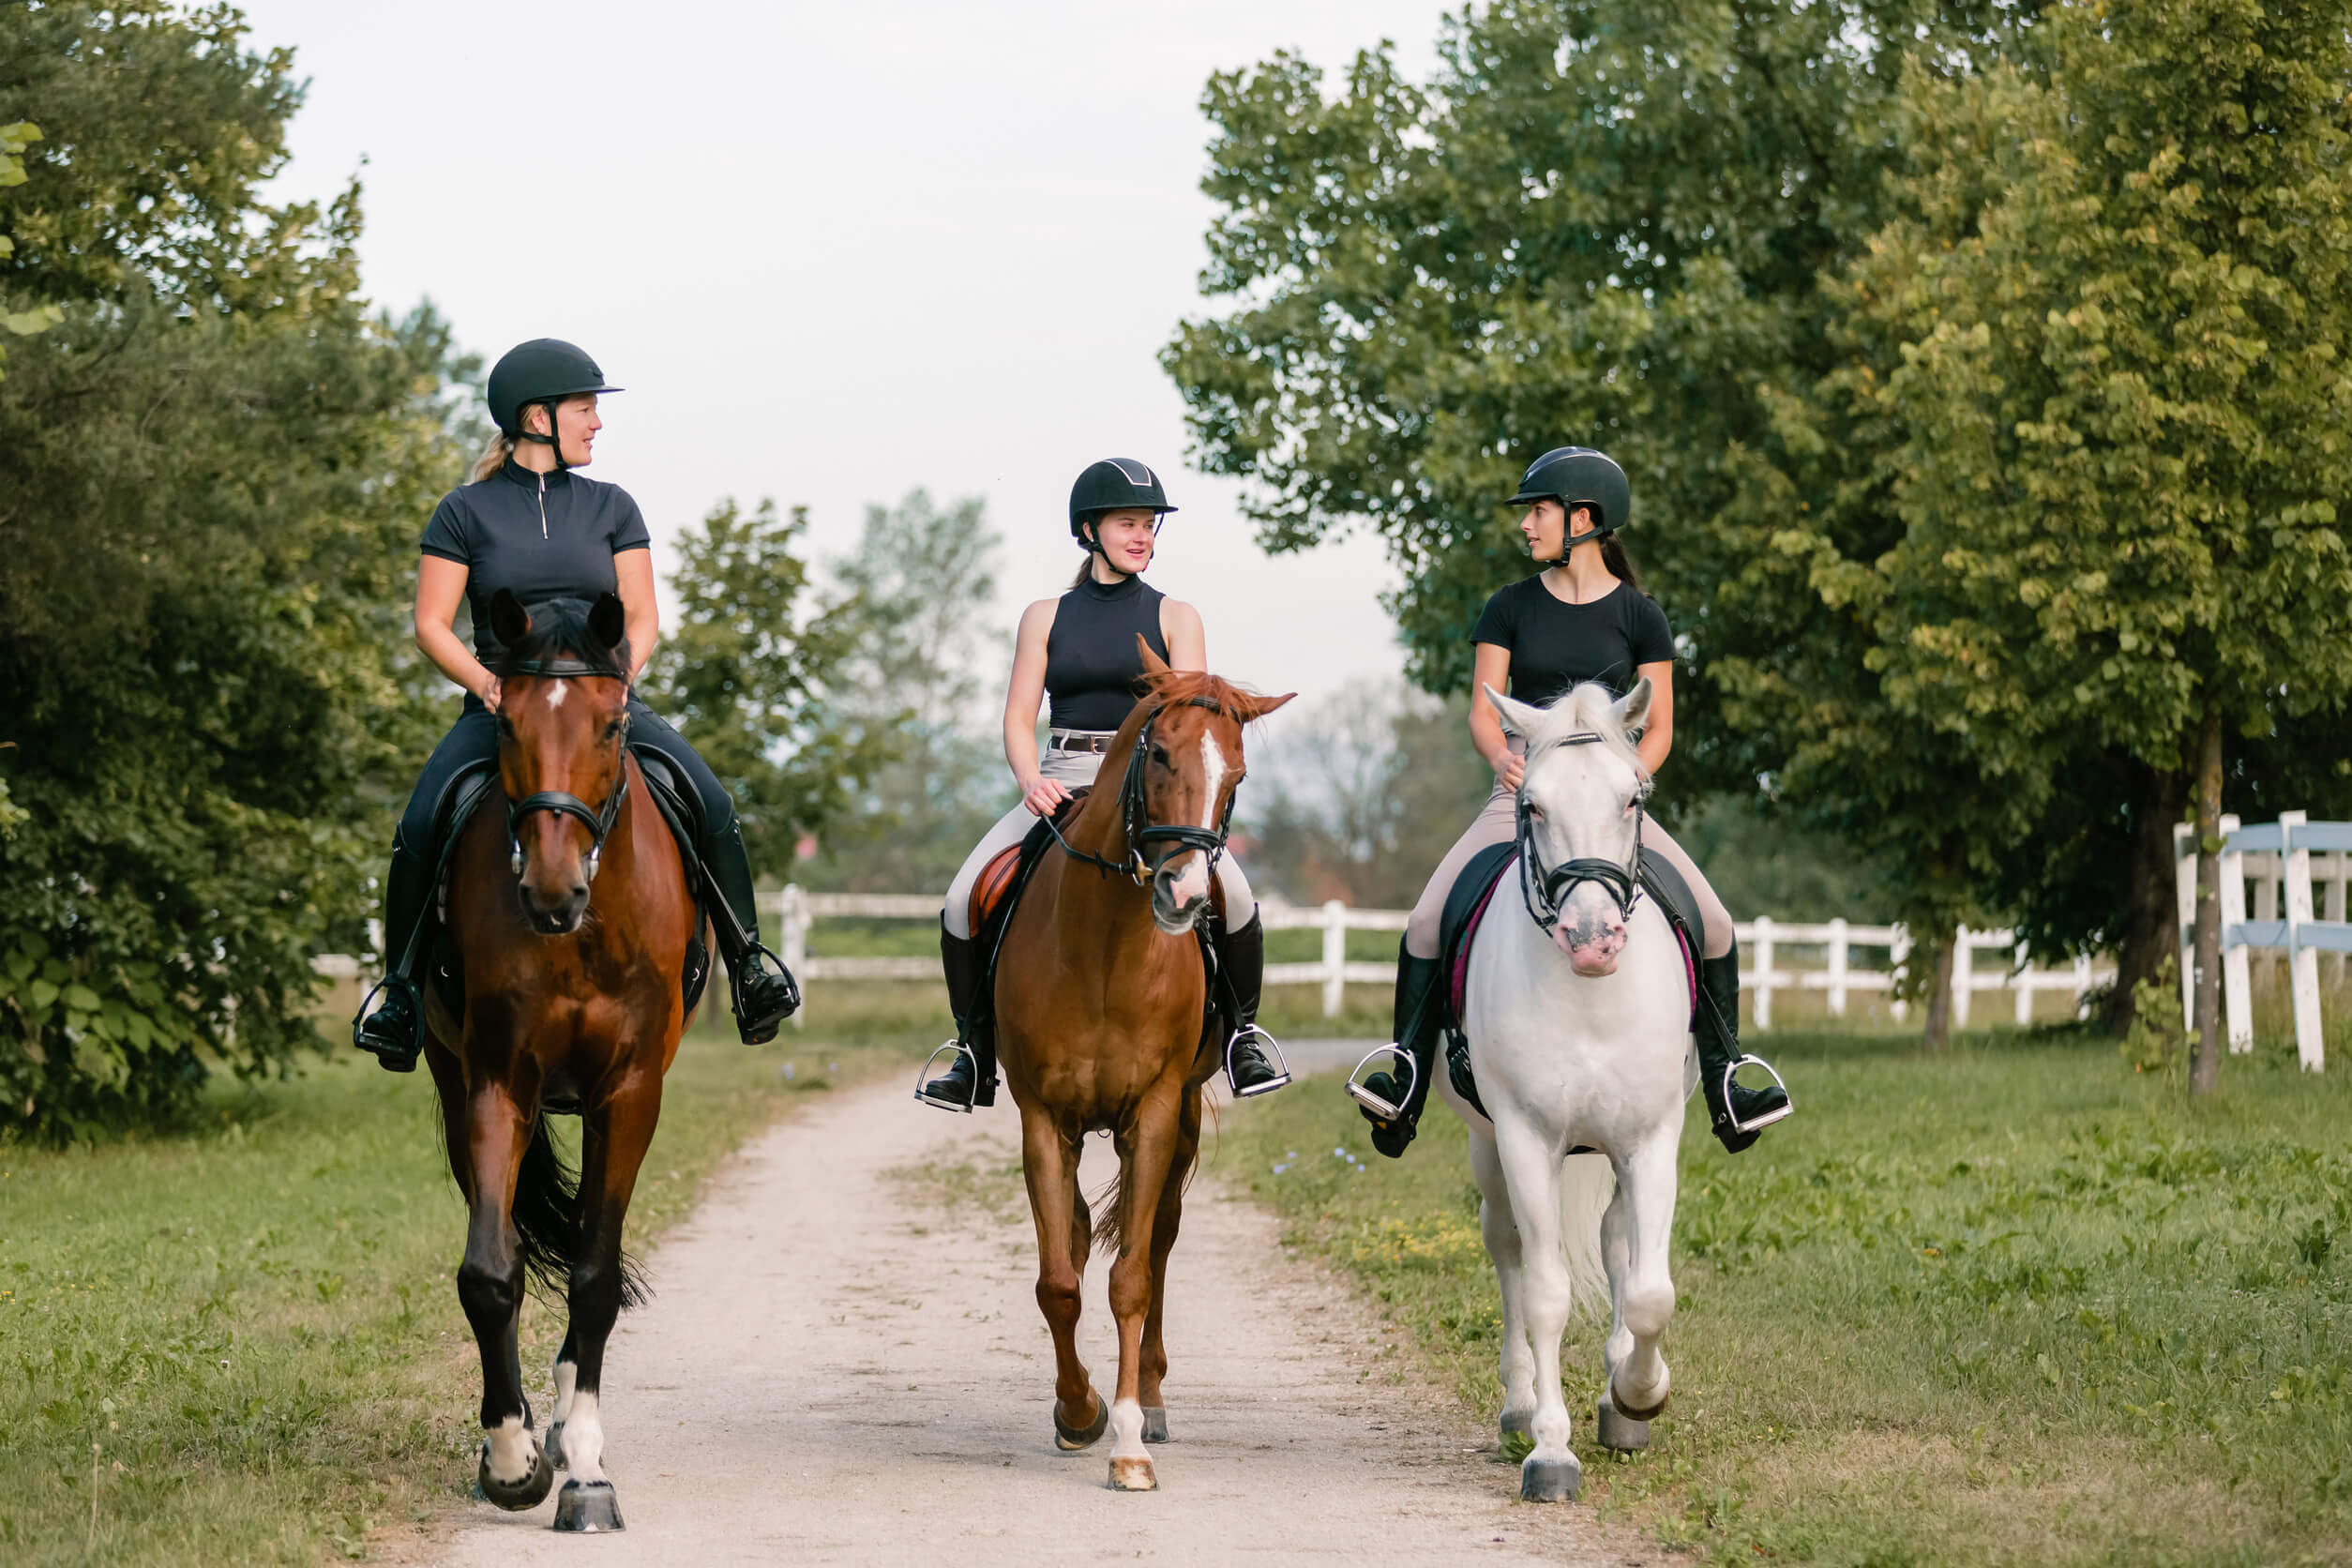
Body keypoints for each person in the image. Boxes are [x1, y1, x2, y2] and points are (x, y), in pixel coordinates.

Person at [350, 339, 800, 1069]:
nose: (596, 423)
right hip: (504, 707)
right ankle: (400, 993)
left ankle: (749, 964)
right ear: (537, 417)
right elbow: (431, 622)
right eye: (584, 408)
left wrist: (618, 682)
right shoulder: (464, 511)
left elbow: (643, 613)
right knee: (419, 823)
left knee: (712, 803)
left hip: (602, 703)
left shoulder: (613, 507)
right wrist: (488, 684)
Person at [1354, 445, 1791, 1156]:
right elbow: (1483, 712)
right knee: (1427, 921)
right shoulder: (1510, 606)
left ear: (1583, 519)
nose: (1527, 526)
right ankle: (1403, 1079)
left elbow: (1662, 727)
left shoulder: (1640, 615)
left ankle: (1726, 1079)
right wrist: (1503, 761)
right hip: (1528, 789)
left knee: (1713, 922)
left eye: (1539, 511)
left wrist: (1629, 785)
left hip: (1615, 800)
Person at [915, 459, 1289, 1111]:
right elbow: (1016, 716)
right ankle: (973, 1052)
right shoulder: (1044, 616)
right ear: (1089, 530)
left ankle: (1243, 1039)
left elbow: (1191, 719)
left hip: (1153, 790)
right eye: (1128, 524)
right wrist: (1030, 780)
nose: (1142, 536)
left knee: (1238, 894)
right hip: (1060, 779)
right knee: (959, 899)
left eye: (1149, 525)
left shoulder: (1177, 615)